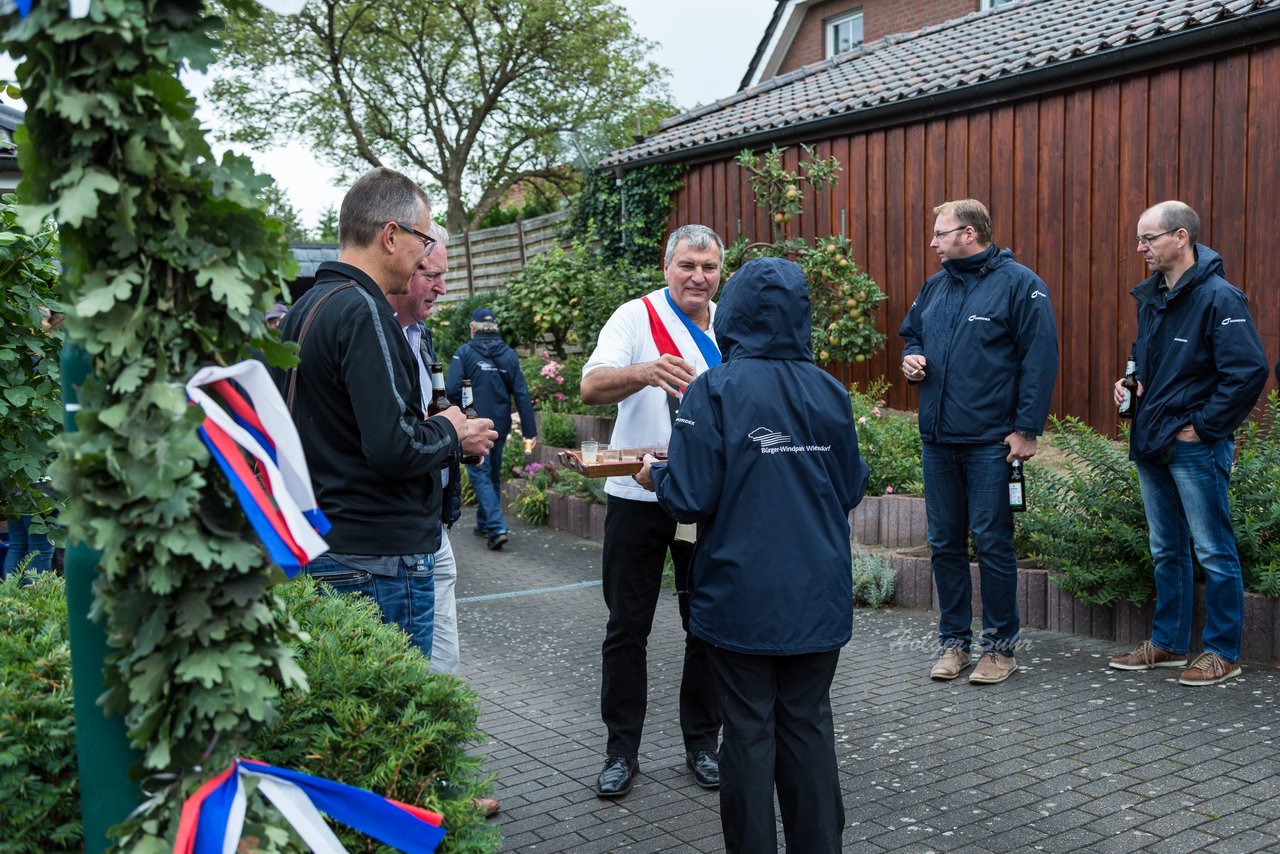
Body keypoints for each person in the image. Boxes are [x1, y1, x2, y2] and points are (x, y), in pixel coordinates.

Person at [636, 256, 867, 854]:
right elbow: (849, 489)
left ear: (732, 313)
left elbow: (689, 497)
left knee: (746, 734)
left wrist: (654, 477)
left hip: (739, 598)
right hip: (817, 595)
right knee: (809, 728)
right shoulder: (829, 390)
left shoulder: (713, 388)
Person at [273, 167, 496, 657]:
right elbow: (393, 447)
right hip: (377, 558)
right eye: (421, 238)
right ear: (391, 236)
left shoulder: (307, 306)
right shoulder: (363, 310)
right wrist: (451, 429)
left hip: (324, 542)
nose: (424, 253)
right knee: (398, 720)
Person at [580, 223, 724, 798]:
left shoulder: (730, 322)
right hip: (637, 498)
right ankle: (621, 751)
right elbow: (590, 386)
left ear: (720, 271)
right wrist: (645, 371)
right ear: (668, 267)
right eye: (688, 265)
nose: (698, 277)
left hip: (701, 502)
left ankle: (702, 744)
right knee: (626, 629)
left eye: (709, 267)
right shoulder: (635, 316)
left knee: (707, 629)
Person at [1107, 201, 1268, 686]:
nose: (1140, 248)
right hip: (1153, 438)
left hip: (1194, 444)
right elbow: (1151, 361)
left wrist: (1204, 426)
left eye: (1148, 238)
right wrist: (1130, 383)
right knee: (1166, 547)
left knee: (1213, 549)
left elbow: (1248, 371)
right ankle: (1170, 643)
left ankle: (1222, 652)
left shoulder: (1221, 298)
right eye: (1139, 239)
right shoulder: (1154, 296)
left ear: (1181, 237)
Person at [899, 198, 1059, 685]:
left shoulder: (1021, 285)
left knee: (992, 543)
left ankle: (1001, 650)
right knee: (944, 543)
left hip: (991, 441)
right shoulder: (935, 286)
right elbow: (912, 335)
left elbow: (1040, 359)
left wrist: (1027, 429)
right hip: (938, 440)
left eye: (940, 233)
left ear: (968, 234)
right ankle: (954, 644)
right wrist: (913, 358)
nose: (933, 242)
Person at [385, 225, 464, 674]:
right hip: (397, 531)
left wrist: (459, 439)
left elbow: (425, 418)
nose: (442, 288)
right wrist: (451, 433)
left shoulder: (421, 336)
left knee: (443, 669)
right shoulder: (376, 334)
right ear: (403, 264)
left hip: (434, 522)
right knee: (412, 673)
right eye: (431, 275)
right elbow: (393, 441)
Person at [447, 308, 537, 551]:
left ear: (472, 328)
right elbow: (521, 392)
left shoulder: (464, 353)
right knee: (492, 473)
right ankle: (485, 523)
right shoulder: (508, 355)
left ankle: (496, 527)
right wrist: (529, 431)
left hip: (474, 425)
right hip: (500, 425)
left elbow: (452, 389)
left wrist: (459, 413)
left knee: (479, 474)